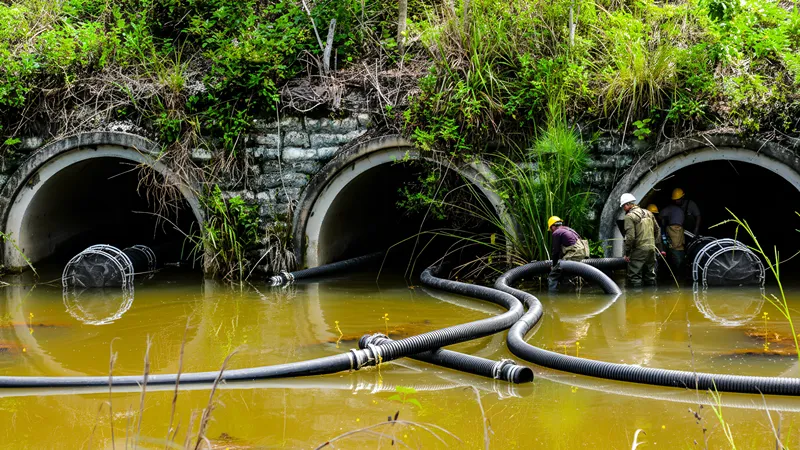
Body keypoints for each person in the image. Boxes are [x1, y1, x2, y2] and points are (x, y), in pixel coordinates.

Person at [620, 193, 661, 287]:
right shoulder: (649, 213)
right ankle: (651, 298)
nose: (623, 209)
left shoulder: (629, 217)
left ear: (627, 205)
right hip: (651, 249)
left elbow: (630, 237)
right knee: (650, 276)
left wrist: (627, 253)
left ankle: (636, 299)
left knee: (635, 277)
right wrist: (656, 246)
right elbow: (657, 230)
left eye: (623, 206)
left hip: (639, 250)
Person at [659, 188, 701, 269]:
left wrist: (696, 229)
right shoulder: (672, 208)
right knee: (678, 247)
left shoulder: (690, 204)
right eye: (675, 200)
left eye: (678, 200)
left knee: (692, 248)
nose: (676, 202)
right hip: (679, 231)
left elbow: (698, 216)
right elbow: (660, 216)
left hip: (690, 231)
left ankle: (691, 263)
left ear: (682, 197)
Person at [547, 215, 589, 291]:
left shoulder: (556, 233)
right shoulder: (567, 229)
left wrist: (554, 266)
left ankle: (552, 298)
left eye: (551, 229)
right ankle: (572, 294)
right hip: (582, 252)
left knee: (553, 275)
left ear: (553, 226)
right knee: (568, 274)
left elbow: (555, 252)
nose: (551, 231)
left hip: (575, 253)